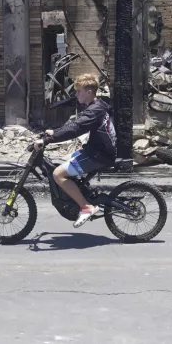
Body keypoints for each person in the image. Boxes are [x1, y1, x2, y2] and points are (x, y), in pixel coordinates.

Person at [33, 73, 116, 228]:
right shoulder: (97, 105)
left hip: (98, 155)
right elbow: (75, 125)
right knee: (65, 161)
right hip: (97, 150)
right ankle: (82, 194)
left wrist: (47, 140)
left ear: (89, 92)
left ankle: (86, 207)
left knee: (58, 174)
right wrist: (55, 132)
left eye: (78, 91)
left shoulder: (94, 110)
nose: (76, 94)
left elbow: (76, 128)